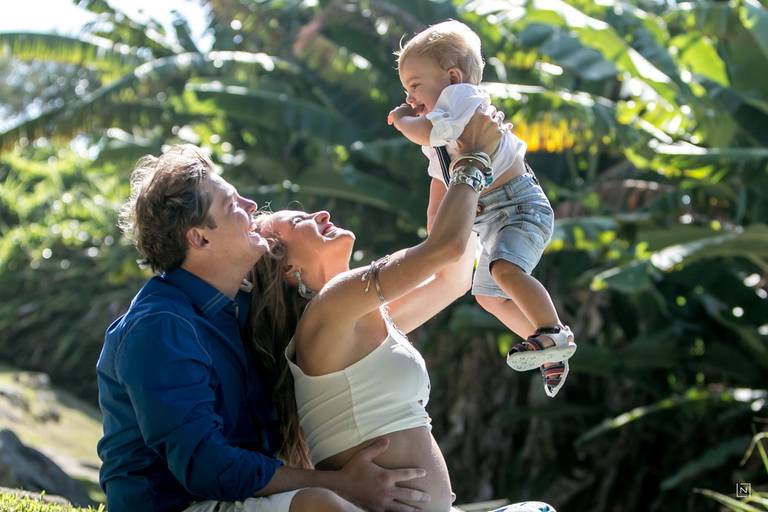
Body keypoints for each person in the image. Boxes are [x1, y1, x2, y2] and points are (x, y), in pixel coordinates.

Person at [96, 145, 432, 512]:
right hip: (177, 506)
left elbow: (440, 280)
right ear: (200, 238)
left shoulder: (242, 311)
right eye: (232, 205)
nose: (252, 205)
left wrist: (440, 152)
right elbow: (205, 466)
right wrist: (338, 482)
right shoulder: (160, 327)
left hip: (235, 498)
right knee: (320, 504)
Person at [250, 112, 556, 511]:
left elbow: (452, 276)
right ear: (288, 269)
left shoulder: (355, 320)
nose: (320, 214)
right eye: (299, 222)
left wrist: (442, 152)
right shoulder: (331, 307)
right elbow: (444, 249)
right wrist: (475, 158)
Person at [386, 20, 576, 398]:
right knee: (489, 296)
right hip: (491, 219)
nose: (409, 97)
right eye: (406, 89)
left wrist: (402, 119)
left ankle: (552, 331)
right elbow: (440, 182)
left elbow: (427, 132)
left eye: (415, 86)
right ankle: (548, 350)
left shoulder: (462, 98)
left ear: (453, 77)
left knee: (505, 271)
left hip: (520, 207)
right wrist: (435, 233)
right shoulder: (444, 136)